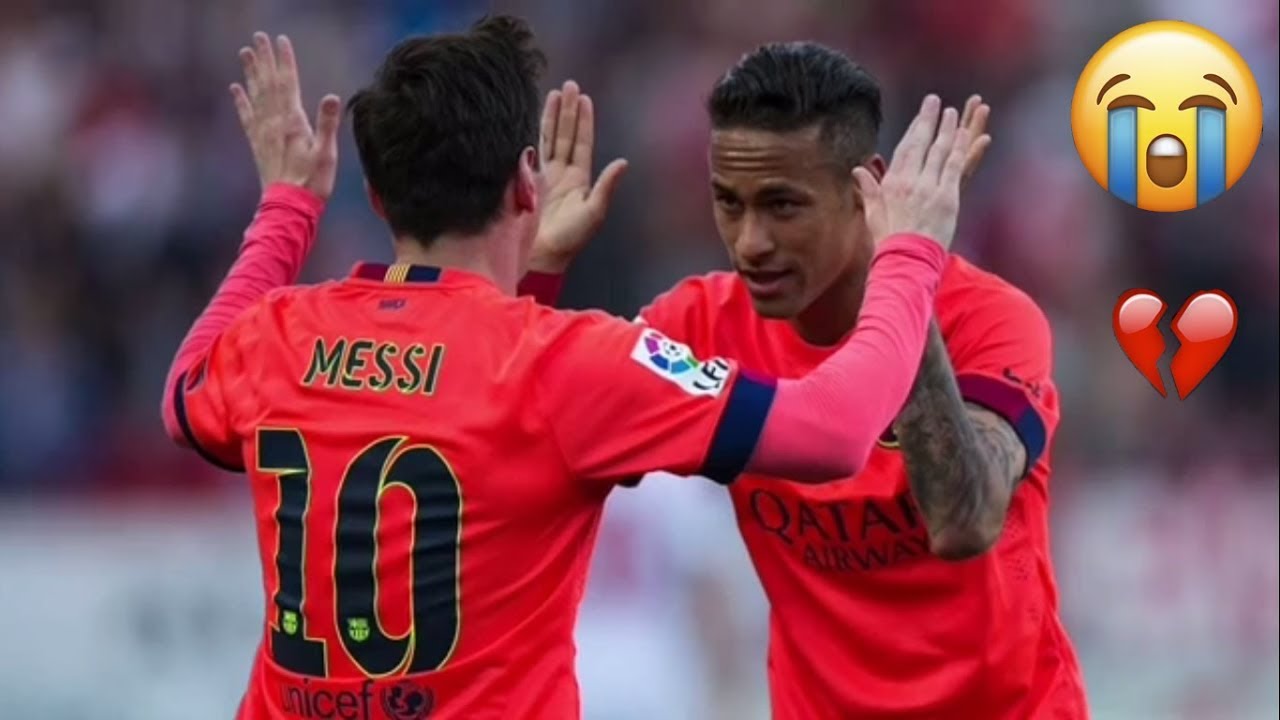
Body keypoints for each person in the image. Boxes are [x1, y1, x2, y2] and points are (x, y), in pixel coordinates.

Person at [159, 18, 983, 720]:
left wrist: (286, 208)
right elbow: (833, 433)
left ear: (375, 198)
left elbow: (184, 395)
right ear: (527, 183)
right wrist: (906, 252)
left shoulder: (279, 336)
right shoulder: (566, 362)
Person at [528, 43, 1090, 719]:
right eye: (729, 203)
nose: (750, 242)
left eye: (783, 206)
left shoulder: (990, 320)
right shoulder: (701, 326)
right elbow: (526, 434)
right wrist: (538, 273)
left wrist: (901, 266)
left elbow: (963, 520)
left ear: (866, 192)